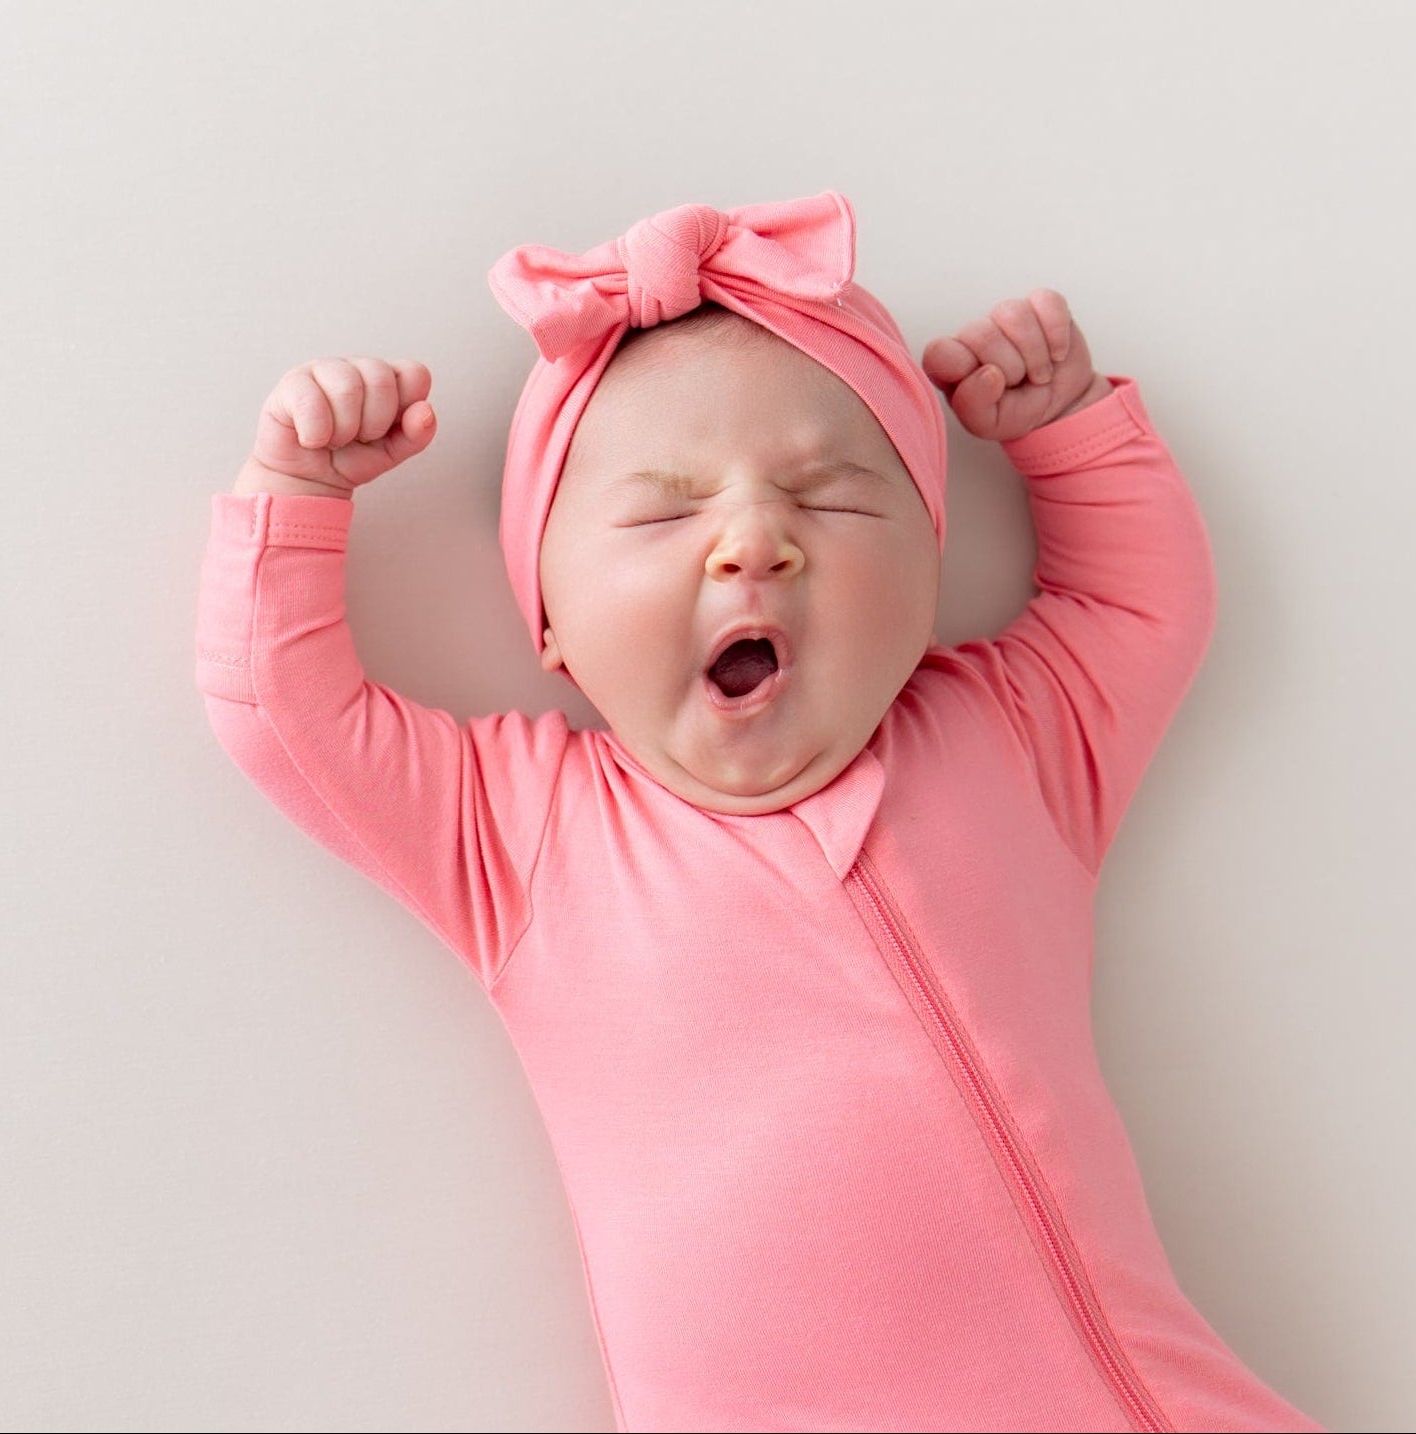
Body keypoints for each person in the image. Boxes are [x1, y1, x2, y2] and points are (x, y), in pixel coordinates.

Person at [195, 190, 1324, 1433]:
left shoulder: (1009, 742)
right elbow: (284, 712)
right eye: (667, 512)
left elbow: (1139, 606)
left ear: (931, 566)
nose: (753, 541)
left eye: (831, 499)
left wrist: (1065, 429)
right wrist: (293, 491)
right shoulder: (524, 833)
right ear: (551, 621)